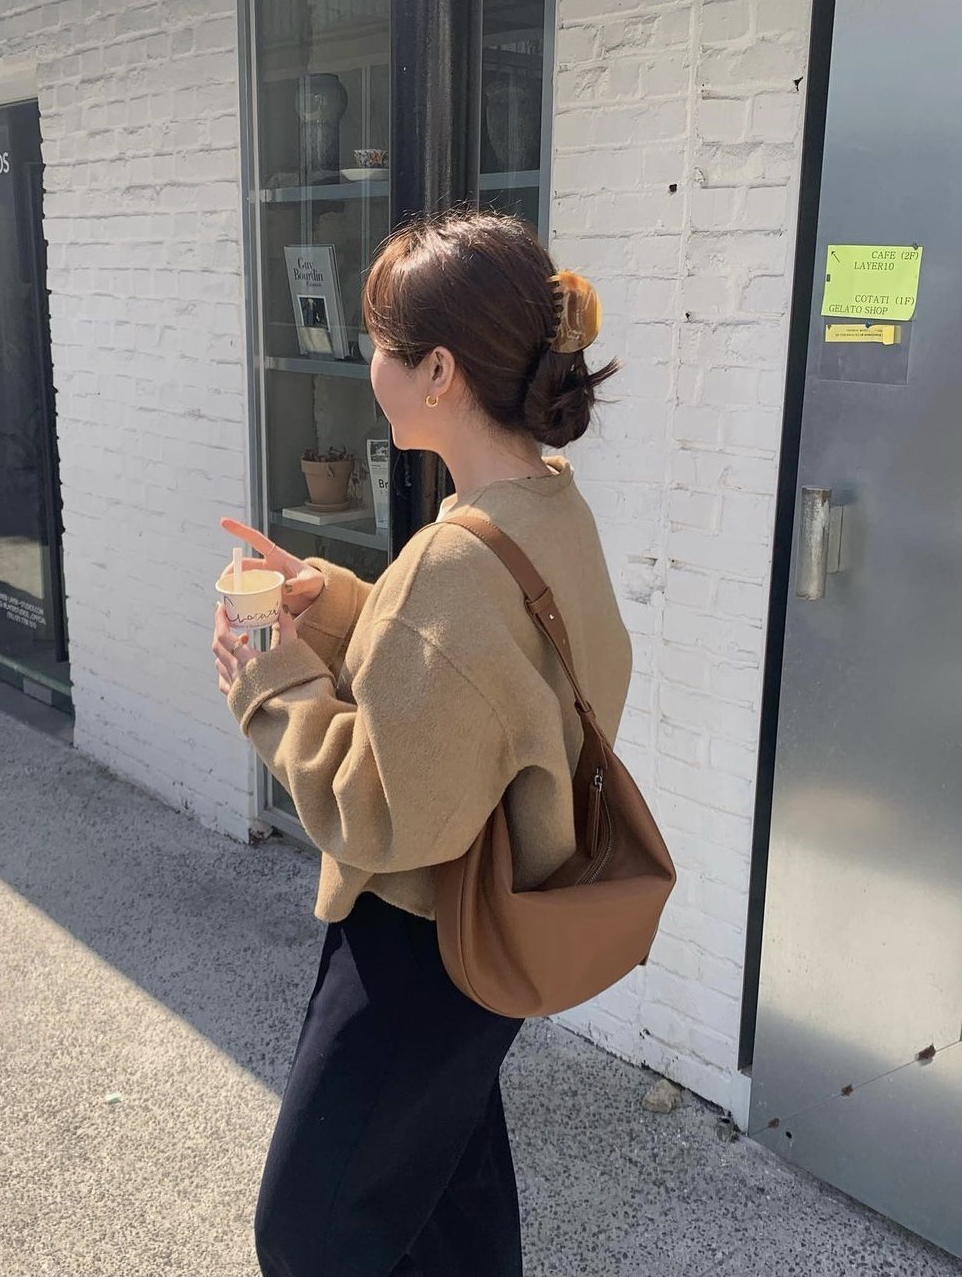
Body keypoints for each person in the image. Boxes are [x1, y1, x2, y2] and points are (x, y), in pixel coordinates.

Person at [213, 210, 632, 1277]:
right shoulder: (546, 510)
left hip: (417, 944)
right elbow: (483, 683)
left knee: (307, 1233)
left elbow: (380, 810)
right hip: (502, 926)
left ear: (438, 370)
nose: (371, 366)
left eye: (380, 344)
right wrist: (336, 603)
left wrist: (269, 682)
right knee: (446, 1195)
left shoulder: (454, 561)